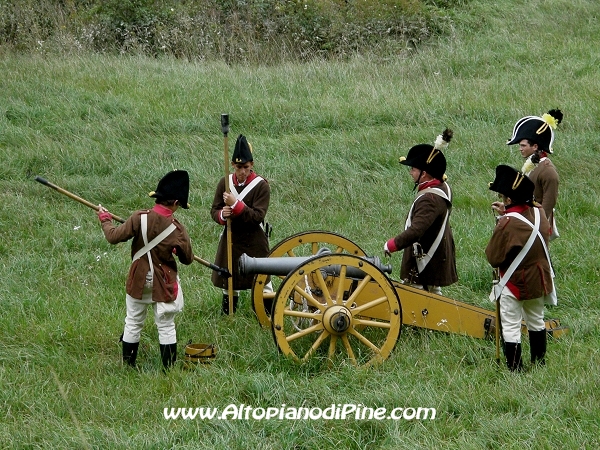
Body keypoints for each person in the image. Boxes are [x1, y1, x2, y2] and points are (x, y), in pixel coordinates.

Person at [97, 170, 194, 370]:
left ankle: (128, 367)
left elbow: (113, 237)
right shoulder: (178, 229)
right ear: (175, 202)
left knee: (133, 321)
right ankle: (168, 370)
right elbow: (187, 259)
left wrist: (106, 219)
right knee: (166, 325)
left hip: (139, 279)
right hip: (164, 281)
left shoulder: (138, 217)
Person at [486, 165, 555, 371]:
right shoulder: (539, 211)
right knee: (536, 319)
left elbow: (493, 257)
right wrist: (506, 213)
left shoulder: (507, 223)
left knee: (511, 326)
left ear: (508, 200)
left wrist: (502, 219)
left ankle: (515, 370)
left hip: (514, 281)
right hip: (538, 278)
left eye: (504, 196)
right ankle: (539, 363)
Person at [383, 129, 458, 295]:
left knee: (419, 300)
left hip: (425, 260)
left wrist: (392, 244)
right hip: (435, 255)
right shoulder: (441, 186)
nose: (411, 172)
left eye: (413, 169)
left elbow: (417, 230)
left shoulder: (429, 198)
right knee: (432, 295)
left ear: (424, 174)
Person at [211, 134, 270, 314]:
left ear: (252, 165)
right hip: (232, 237)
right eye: (238, 167)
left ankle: (267, 313)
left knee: (263, 281)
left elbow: (257, 216)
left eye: (245, 167)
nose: (242, 172)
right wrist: (223, 214)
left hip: (254, 239)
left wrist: (235, 205)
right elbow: (214, 210)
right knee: (229, 280)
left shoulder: (261, 186)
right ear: (233, 165)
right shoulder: (225, 183)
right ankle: (228, 314)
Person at [506, 109, 563, 240]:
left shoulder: (548, 171)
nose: (520, 148)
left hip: (537, 226)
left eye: (523, 145)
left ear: (535, 146)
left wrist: (538, 225)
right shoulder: (532, 165)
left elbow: (549, 203)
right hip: (528, 221)